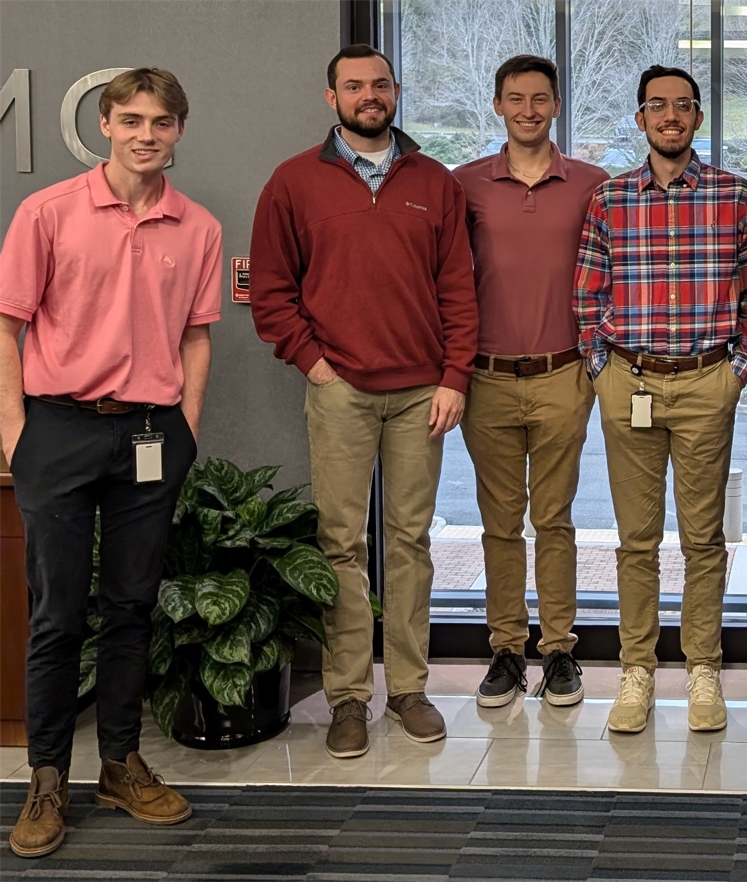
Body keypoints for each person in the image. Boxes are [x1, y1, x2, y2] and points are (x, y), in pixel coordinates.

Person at [0, 68, 220, 858]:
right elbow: (7, 325)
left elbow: (198, 333)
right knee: (58, 613)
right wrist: (15, 434)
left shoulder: (197, 227)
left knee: (132, 606)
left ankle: (121, 765)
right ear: (105, 125)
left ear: (179, 131)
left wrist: (186, 424)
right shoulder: (47, 212)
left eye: (161, 121)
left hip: (153, 436)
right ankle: (48, 777)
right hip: (57, 431)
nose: (145, 135)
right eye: (131, 120)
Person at [249, 44, 478, 759]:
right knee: (341, 546)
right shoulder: (292, 183)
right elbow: (272, 292)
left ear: (396, 91)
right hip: (340, 389)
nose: (369, 95)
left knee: (410, 544)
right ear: (332, 98)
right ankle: (350, 695)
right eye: (354, 86)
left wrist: (455, 376)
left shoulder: (434, 181)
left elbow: (458, 289)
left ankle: (408, 688)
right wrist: (313, 363)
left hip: (421, 395)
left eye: (380, 84)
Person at [574, 65, 747, 735]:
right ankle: (637, 670)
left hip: (704, 381)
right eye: (657, 106)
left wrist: (735, 370)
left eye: (682, 106)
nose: (670, 116)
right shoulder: (610, 199)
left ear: (698, 118)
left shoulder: (734, 195)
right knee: (635, 540)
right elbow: (587, 294)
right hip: (627, 379)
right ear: (640, 119)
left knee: (703, 538)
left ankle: (702, 669)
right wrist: (601, 369)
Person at [451, 55, 607, 710]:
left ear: (556, 105)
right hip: (484, 378)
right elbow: (446, 282)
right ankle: (507, 649)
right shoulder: (463, 185)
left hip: (562, 374)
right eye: (516, 98)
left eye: (540, 98)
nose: (528, 109)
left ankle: (560, 649)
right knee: (499, 521)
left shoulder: (593, 184)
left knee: (555, 518)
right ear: (498, 106)